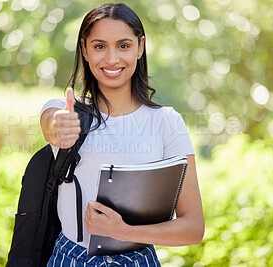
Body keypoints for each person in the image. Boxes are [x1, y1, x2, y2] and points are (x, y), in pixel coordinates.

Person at [40, 3, 204, 266]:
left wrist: (123, 231)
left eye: (124, 46)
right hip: (70, 259)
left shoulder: (167, 122)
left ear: (141, 47)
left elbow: (193, 227)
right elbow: (51, 122)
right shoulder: (67, 111)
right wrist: (58, 127)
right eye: (99, 46)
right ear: (84, 49)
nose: (112, 59)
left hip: (139, 260)